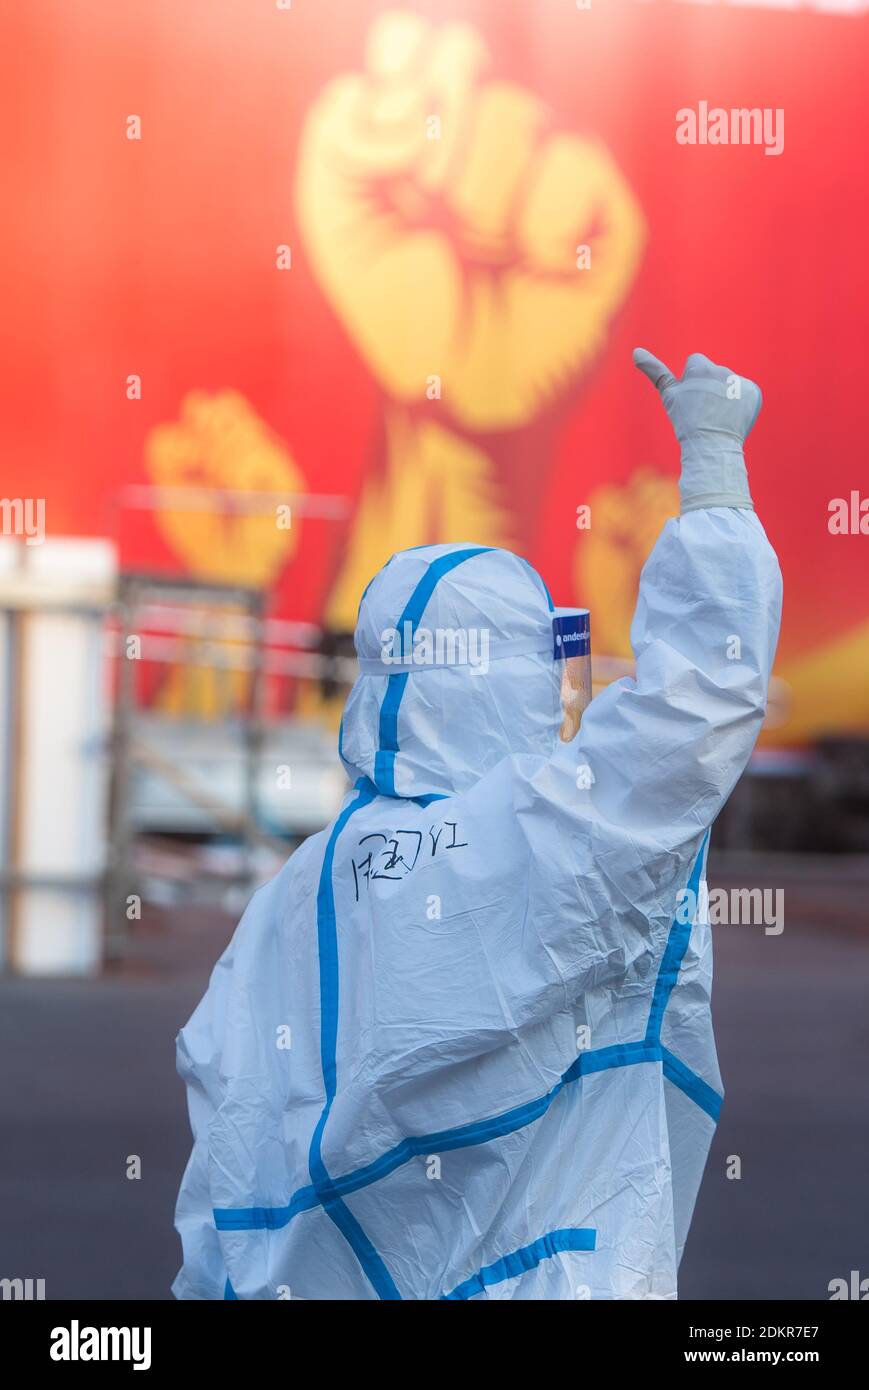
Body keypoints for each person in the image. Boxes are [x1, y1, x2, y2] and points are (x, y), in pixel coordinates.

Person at [173, 348, 782, 1300]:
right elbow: (696, 705)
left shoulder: (300, 889)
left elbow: (228, 1137)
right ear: (513, 675)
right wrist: (712, 467)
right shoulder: (543, 837)